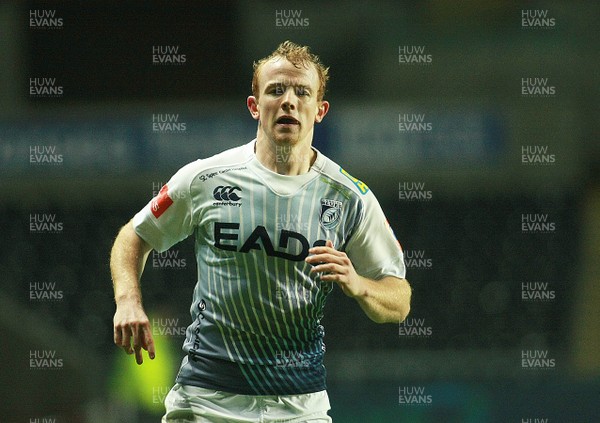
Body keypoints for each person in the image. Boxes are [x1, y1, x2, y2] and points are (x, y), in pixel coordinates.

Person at [110, 40, 411, 422]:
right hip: (207, 399)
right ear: (254, 106)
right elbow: (135, 235)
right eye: (275, 90)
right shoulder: (205, 178)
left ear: (320, 111)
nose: (288, 101)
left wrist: (359, 283)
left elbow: (400, 300)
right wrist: (128, 301)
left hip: (300, 406)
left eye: (302, 92)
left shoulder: (351, 198)